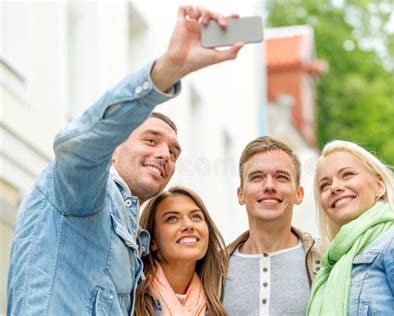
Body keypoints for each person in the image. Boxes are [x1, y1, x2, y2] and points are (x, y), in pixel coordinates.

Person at [7, 6, 243, 315]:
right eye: (150, 140)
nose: (164, 155)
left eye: (173, 152)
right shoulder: (83, 191)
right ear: (113, 147)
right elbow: (78, 145)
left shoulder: (132, 235)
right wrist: (166, 71)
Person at [307, 140, 394, 315]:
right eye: (324, 185)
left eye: (347, 174)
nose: (334, 187)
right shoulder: (328, 267)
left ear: (379, 187)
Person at [222, 136, 323, 315]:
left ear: (299, 194)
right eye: (257, 177)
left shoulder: (325, 260)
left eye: (281, 177)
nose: (269, 185)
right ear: (241, 194)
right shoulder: (214, 268)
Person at [135, 186, 227, 316]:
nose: (188, 225)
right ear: (152, 241)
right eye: (172, 218)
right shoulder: (129, 299)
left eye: (196, 217)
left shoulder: (223, 299)